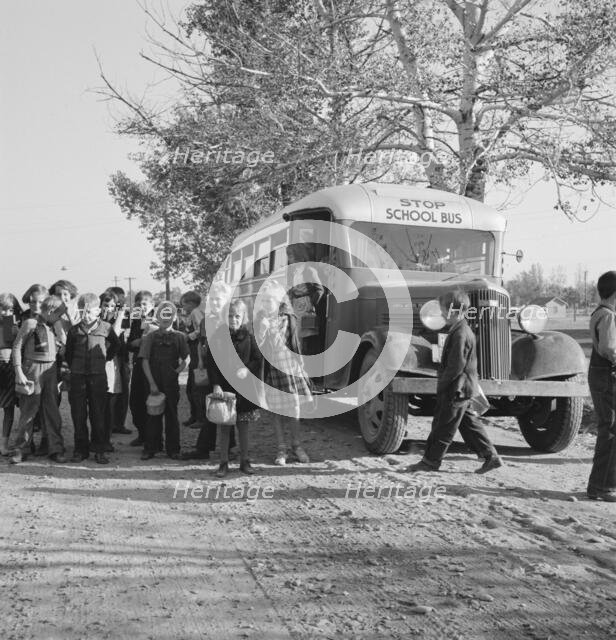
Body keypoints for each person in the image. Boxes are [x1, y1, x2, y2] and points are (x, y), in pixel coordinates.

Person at [405, 290, 502, 474]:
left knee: (443, 426)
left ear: (452, 311)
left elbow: (456, 365)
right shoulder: (460, 329)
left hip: (456, 388)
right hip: (462, 387)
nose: (441, 314)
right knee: (469, 424)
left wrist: (443, 385)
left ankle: (430, 462)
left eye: (442, 310)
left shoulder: (460, 333)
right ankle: (491, 457)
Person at [254, 282, 311, 466]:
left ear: (279, 300)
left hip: (291, 369)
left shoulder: (289, 318)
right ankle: (281, 448)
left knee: (294, 409)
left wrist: (302, 365)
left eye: (272, 299)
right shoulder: (259, 321)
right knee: (277, 412)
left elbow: (296, 343)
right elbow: (257, 349)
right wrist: (261, 331)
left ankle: (297, 445)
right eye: (265, 300)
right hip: (272, 372)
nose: (268, 303)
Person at [206, 298, 262, 477]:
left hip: (244, 390)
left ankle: (245, 461)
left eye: (237, 316)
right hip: (224, 388)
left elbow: (257, 359)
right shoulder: (217, 337)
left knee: (243, 426)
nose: (233, 320)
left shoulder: (249, 338)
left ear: (244, 317)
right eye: (230, 316)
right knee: (224, 426)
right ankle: (223, 462)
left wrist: (247, 370)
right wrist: (215, 385)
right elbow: (212, 363)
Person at [9, 293, 66, 464]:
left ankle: (55, 448)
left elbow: (63, 348)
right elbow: (17, 347)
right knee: (28, 411)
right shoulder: (30, 323)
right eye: (59, 314)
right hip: (31, 369)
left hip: (50, 370)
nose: (61, 318)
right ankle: (22, 448)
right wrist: (19, 371)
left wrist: (61, 334)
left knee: (52, 412)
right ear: (50, 311)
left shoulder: (54, 327)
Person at [65, 293, 120, 464]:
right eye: (84, 311)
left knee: (98, 414)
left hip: (98, 377)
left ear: (98, 311)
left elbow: (115, 346)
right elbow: (69, 353)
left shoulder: (106, 328)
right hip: (78, 377)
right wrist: (75, 367)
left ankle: (99, 449)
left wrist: (105, 359)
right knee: (78, 414)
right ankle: (80, 449)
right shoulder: (74, 330)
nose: (86, 314)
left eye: (91, 311)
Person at [182, 282, 233, 460]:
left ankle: (229, 448)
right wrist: (201, 362)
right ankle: (204, 448)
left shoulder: (232, 318)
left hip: (229, 369)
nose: (216, 303)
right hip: (211, 367)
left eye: (220, 300)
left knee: (229, 409)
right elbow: (201, 344)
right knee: (210, 407)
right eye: (213, 300)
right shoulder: (207, 320)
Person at [139, 301, 188, 460]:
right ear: (157, 316)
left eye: (169, 314)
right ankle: (151, 448)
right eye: (162, 314)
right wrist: (152, 383)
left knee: (172, 415)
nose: (166, 317)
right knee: (152, 415)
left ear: (174, 317)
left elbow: (187, 358)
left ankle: (173, 449)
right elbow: (144, 360)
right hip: (153, 381)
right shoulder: (150, 337)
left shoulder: (180, 337)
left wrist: (176, 372)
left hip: (171, 383)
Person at [587, 271, 616, 501]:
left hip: (599, 373)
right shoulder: (608, 316)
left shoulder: (600, 312)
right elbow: (609, 348)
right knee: (610, 429)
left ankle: (604, 484)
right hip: (607, 375)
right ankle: (600, 486)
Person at [127, 290, 155, 447]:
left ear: (152, 304)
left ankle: (152, 440)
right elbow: (129, 343)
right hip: (138, 365)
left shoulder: (158, 319)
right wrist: (134, 343)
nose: (141, 306)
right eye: (138, 304)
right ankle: (142, 434)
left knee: (150, 402)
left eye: (144, 303)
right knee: (136, 402)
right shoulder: (136, 321)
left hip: (153, 366)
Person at [105, 286, 131, 435]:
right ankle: (109, 425)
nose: (119, 301)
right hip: (109, 357)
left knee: (123, 392)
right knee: (110, 392)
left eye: (120, 298)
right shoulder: (103, 316)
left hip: (122, 355)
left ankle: (119, 423)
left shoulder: (125, 314)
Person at [179, 290, 205, 428]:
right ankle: (194, 415)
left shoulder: (196, 313)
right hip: (193, 351)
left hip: (197, 350)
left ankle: (200, 417)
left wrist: (188, 337)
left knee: (196, 386)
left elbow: (202, 329)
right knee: (191, 386)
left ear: (191, 303)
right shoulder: (191, 314)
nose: (183, 308)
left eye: (184, 305)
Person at [0, 294, 21, 455]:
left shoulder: (14, 326)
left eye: (10, 309)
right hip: (3, 366)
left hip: (10, 368)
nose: (6, 312)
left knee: (9, 408)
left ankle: (4, 444)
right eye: (2, 308)